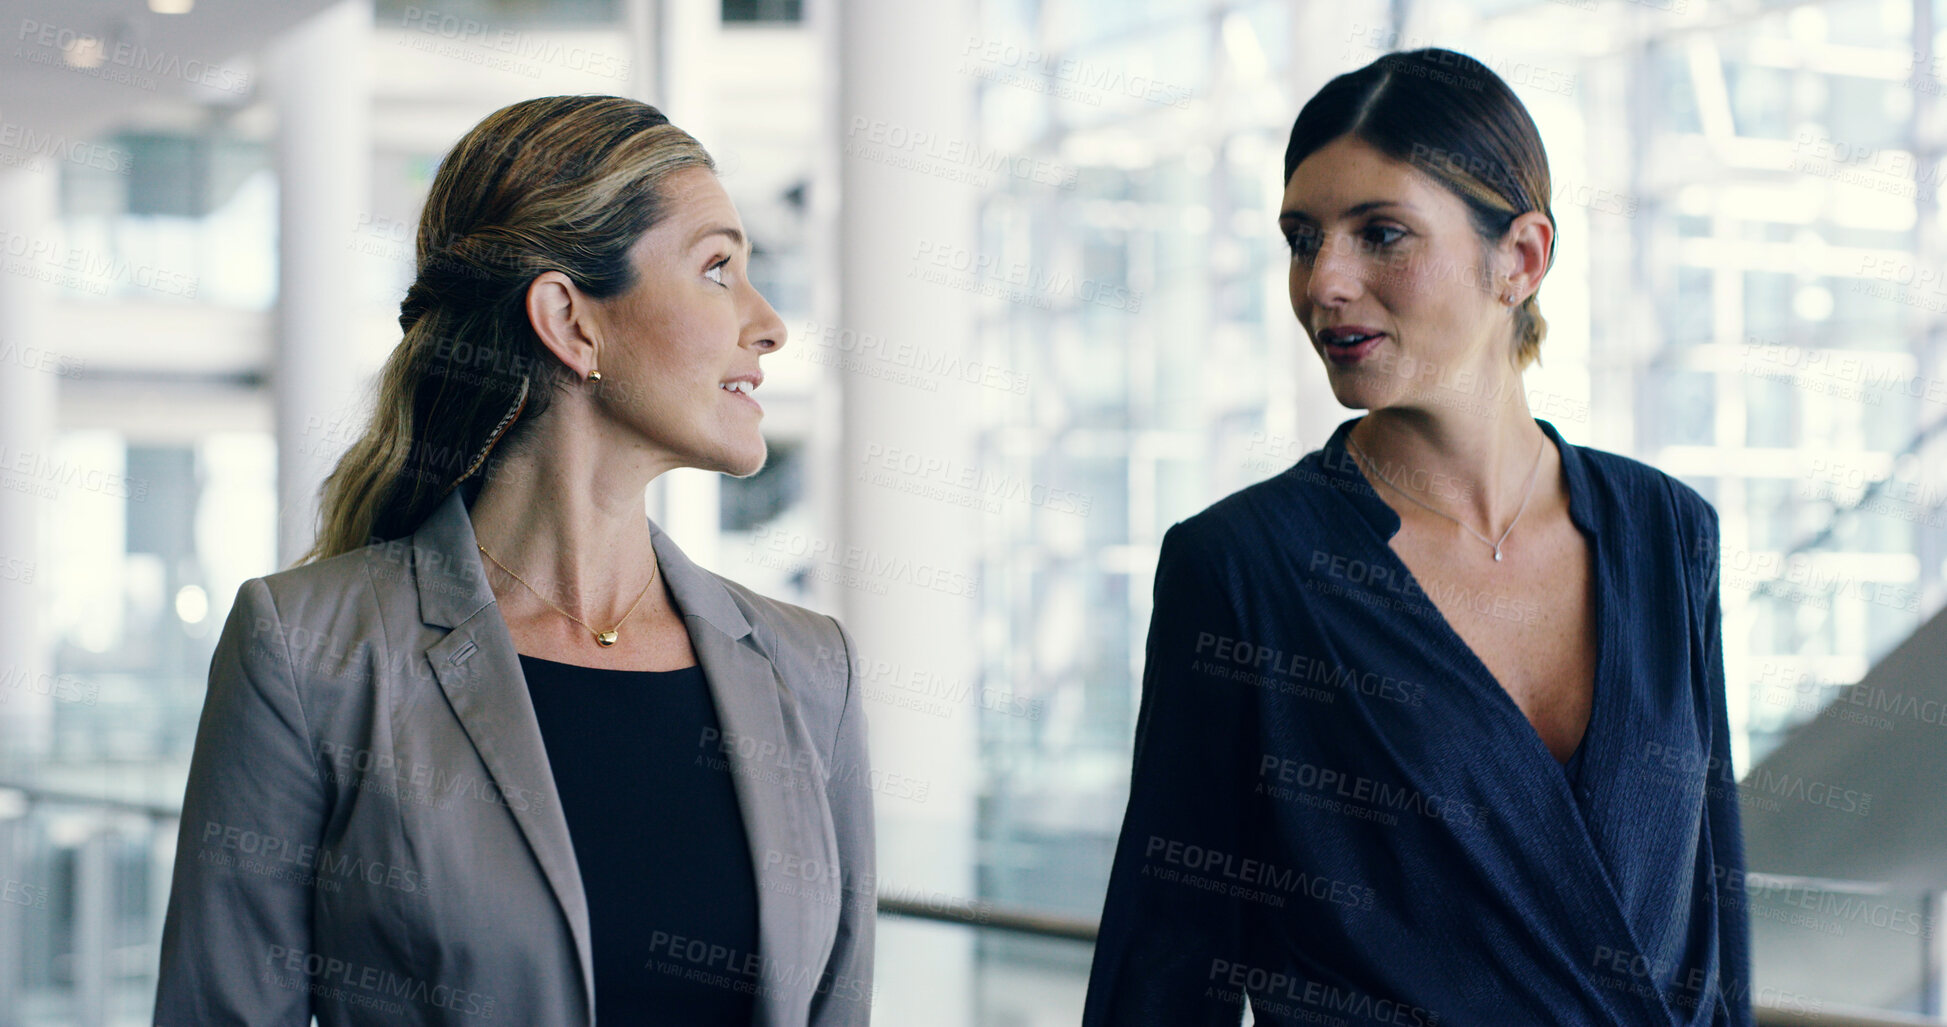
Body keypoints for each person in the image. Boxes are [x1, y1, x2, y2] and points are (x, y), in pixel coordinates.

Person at [153, 96, 875, 1027]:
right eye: (718, 269)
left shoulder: (811, 671)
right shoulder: (308, 652)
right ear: (571, 322)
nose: (770, 323)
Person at [1082, 49, 1750, 1026]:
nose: (1326, 283)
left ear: (1520, 258)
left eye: (1381, 233)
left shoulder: (1666, 533)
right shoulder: (1245, 567)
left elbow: (1714, 924)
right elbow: (1167, 962)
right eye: (1303, 240)